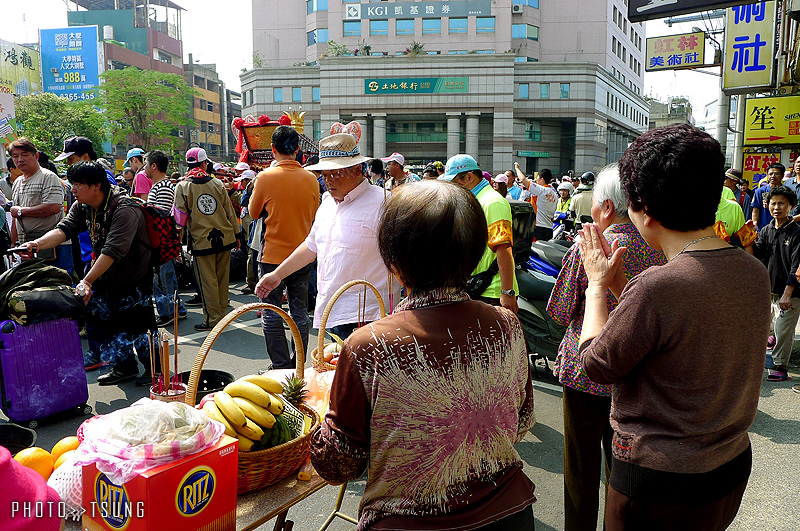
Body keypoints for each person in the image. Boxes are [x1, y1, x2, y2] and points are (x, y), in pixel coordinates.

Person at [310, 180, 536, 531]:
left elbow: (339, 465)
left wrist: (324, 405)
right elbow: (521, 421)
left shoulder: (369, 345)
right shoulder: (508, 327)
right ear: (476, 253)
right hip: (509, 514)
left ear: (393, 261)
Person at [578, 123, 770, 530]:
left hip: (660, 481)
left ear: (644, 207)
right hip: (728, 465)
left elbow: (596, 364)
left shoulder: (657, 287)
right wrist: (622, 289)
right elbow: (681, 327)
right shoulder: (753, 272)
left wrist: (597, 286)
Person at [546, 165, 666, 531]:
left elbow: (559, 311)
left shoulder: (590, 246)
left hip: (585, 374)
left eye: (596, 205)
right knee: (624, 468)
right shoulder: (659, 247)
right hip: (633, 374)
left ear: (608, 207)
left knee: (580, 468)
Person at [21, 161, 158, 385]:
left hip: (134, 275)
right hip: (105, 275)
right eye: (72, 183)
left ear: (96, 186)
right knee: (109, 323)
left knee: (139, 326)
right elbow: (64, 229)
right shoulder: (83, 205)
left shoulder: (125, 208)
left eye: (77, 184)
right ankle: (124, 368)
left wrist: (86, 280)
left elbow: (112, 251)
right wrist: (35, 244)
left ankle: (156, 372)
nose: (72, 189)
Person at [256, 124, 396, 341]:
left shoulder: (385, 204)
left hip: (368, 317)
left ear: (357, 170)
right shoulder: (328, 203)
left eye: (335, 174)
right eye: (324, 174)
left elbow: (404, 259)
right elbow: (311, 245)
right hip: (331, 311)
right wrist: (277, 275)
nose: (328, 181)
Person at [248, 125, 319, 369]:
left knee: (271, 311)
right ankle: (298, 362)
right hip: (303, 255)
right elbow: (314, 214)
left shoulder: (265, 177)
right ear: (298, 149)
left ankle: (280, 366)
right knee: (299, 311)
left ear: (272, 150)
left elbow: (253, 212)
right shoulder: (311, 179)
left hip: (271, 256)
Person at [174, 147, 241, 331]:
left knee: (207, 282)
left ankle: (212, 320)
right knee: (222, 278)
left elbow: (179, 220)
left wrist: (177, 243)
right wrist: (237, 234)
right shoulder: (218, 184)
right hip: (225, 237)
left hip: (202, 241)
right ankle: (221, 316)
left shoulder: (182, 186)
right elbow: (229, 211)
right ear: (204, 163)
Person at [440, 154, 518, 313]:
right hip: (475, 287)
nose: (452, 188)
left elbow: (504, 249)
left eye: (453, 182)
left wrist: (507, 291)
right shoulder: (473, 200)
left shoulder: (492, 203)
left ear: (469, 177)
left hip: (492, 291)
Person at [752, 185, 800, 382]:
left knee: (783, 331)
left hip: (791, 292)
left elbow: (797, 267)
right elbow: (756, 255)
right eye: (773, 203)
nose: (777, 207)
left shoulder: (797, 233)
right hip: (769, 290)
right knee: (770, 327)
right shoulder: (766, 229)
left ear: (791, 207)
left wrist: (788, 293)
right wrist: (747, 236)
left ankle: (781, 367)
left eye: (782, 203)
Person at [8, 138, 73, 274]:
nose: (20, 159)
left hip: (54, 245)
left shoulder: (48, 177)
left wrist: (21, 211)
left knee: (59, 287)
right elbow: (15, 216)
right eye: (15, 156)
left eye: (24, 155)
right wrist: (13, 244)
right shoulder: (18, 182)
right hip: (27, 247)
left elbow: (53, 207)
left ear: (36, 156)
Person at [145, 150, 187, 327]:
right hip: (164, 241)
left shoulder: (162, 187)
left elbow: (159, 217)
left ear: (154, 166)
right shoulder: (163, 185)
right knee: (166, 277)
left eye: (146, 164)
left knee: (163, 279)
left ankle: (169, 313)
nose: (144, 168)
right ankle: (178, 309)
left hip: (161, 242)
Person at [515, 162, 558, 241]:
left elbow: (523, 180)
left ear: (542, 179)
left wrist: (517, 168)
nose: (536, 181)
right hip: (549, 228)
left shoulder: (540, 190)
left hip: (538, 228)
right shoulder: (554, 194)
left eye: (537, 178)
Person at [751, 163, 785, 231]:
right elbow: (755, 210)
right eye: (770, 174)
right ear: (767, 175)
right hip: (763, 228)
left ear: (782, 175)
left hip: (783, 228)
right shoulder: (760, 191)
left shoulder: (786, 191)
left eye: (777, 174)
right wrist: (755, 226)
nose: (773, 176)